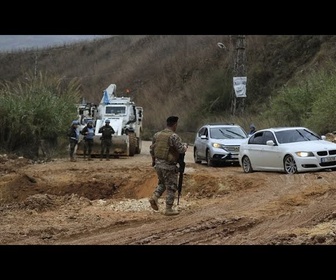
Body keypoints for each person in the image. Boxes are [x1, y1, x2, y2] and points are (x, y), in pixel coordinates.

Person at [149, 116, 188, 216]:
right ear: (175, 125)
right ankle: (168, 209)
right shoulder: (173, 136)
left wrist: (153, 161)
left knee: (162, 183)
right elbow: (181, 150)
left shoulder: (157, 135)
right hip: (169, 166)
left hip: (158, 164)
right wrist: (185, 146)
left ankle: (155, 197)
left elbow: (152, 149)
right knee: (171, 187)